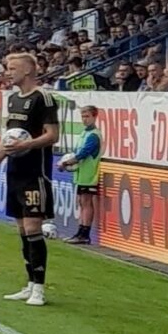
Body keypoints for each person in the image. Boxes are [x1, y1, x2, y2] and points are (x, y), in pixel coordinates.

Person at [0, 51, 58, 306]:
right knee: (22, 230)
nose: (8, 72)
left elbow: (52, 135)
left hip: (35, 173)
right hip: (14, 172)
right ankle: (29, 283)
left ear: (27, 70)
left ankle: (39, 288)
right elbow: (8, 139)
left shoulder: (43, 98)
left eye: (12, 68)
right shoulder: (13, 99)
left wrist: (28, 143)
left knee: (34, 227)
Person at [57, 104, 102, 244]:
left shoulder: (94, 135)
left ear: (94, 117)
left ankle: (84, 233)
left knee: (86, 203)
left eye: (87, 116)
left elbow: (83, 154)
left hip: (89, 175)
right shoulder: (85, 133)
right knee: (82, 203)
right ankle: (80, 232)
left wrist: (65, 163)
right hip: (82, 174)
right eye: (82, 116)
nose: (84, 119)